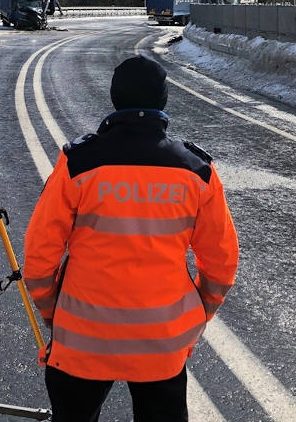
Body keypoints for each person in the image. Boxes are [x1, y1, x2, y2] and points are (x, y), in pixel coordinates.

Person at [23, 55, 239, 422]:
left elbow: (39, 258)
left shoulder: (79, 163)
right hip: (163, 345)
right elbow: (222, 263)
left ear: (114, 98)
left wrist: (53, 315)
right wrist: (198, 316)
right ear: (163, 100)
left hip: (81, 342)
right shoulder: (197, 170)